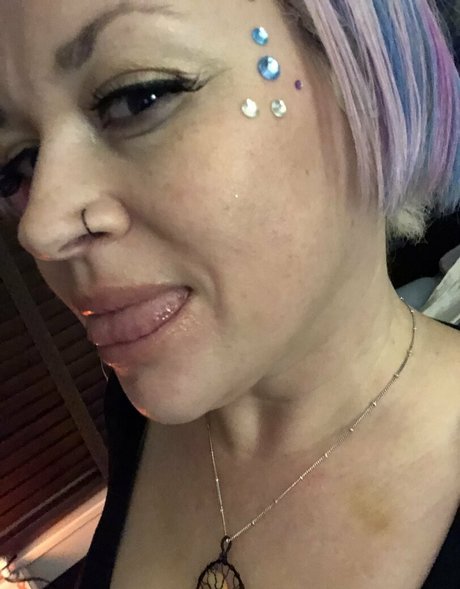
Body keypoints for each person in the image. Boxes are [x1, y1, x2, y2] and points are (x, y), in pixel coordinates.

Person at [0, 1, 459, 587]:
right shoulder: (136, 410)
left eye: (137, 97)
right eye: (16, 166)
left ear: (362, 76)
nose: (39, 228)